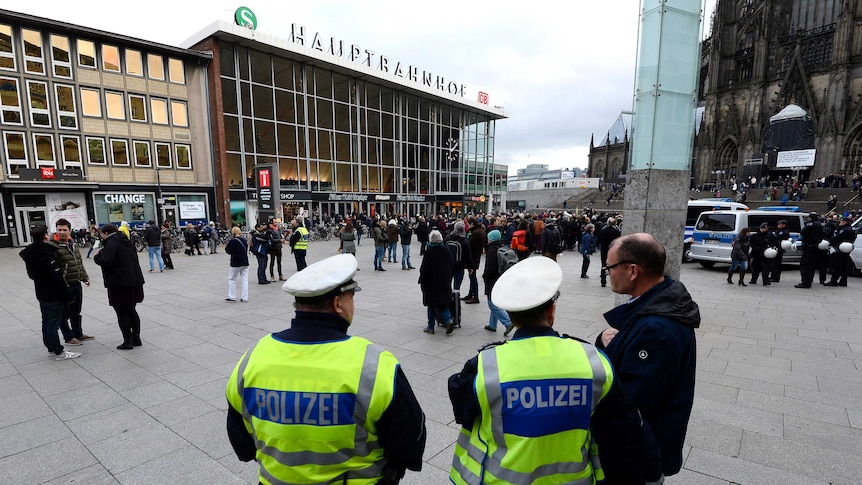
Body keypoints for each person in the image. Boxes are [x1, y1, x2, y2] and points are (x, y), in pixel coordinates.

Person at [450, 256, 664, 484]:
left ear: (511, 317)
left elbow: (462, 410)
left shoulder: (485, 364)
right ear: (552, 311)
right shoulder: (594, 361)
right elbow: (627, 426)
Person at [225, 254, 426, 484]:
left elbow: (241, 443)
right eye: (352, 296)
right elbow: (411, 444)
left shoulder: (253, 357)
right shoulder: (374, 364)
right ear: (338, 303)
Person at [597, 233, 700, 477]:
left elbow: (629, 401)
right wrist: (604, 341)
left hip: (636, 458)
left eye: (610, 266)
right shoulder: (657, 304)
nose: (607, 273)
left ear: (633, 271)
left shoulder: (657, 329)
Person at [20, 225, 81, 361]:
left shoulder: (31, 253)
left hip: (42, 292)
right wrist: (68, 294)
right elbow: (56, 277)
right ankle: (58, 351)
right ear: (46, 236)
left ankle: (52, 348)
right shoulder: (46, 254)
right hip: (53, 294)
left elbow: (32, 275)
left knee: (46, 322)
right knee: (53, 323)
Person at [94, 223, 146, 350]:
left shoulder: (111, 243)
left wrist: (97, 256)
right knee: (132, 309)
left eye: (101, 234)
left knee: (122, 311)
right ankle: (136, 338)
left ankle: (128, 341)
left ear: (105, 233)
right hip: (134, 280)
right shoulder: (126, 241)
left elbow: (107, 261)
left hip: (120, 283)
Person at [50, 218, 94, 346]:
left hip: (76, 282)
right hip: (64, 284)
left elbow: (78, 262)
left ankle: (78, 333)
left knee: (76, 311)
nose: (62, 232)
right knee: (65, 313)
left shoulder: (72, 244)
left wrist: (84, 277)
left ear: (69, 230)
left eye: (64, 230)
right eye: (59, 230)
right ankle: (68, 337)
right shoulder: (53, 245)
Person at [419, 230, 455, 335]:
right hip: (444, 281)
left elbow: (424, 269)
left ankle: (431, 327)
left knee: (431, 304)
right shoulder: (446, 250)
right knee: (442, 303)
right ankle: (448, 320)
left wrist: (422, 279)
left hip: (431, 283)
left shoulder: (429, 252)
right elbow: (451, 265)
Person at [481, 229, 513, 335]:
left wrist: (485, 276)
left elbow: (490, 267)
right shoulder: (502, 247)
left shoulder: (492, 250)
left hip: (493, 279)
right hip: (501, 277)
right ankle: (492, 325)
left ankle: (508, 322)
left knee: (492, 304)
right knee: (494, 301)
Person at [825, 216, 856, 287]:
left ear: (845, 222)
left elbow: (837, 238)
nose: (840, 222)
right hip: (847, 249)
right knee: (845, 266)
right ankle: (843, 281)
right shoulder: (852, 229)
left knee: (836, 265)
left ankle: (834, 281)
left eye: (841, 221)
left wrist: (831, 240)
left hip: (839, 249)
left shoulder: (844, 230)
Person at [796, 213, 824, 289]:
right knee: (811, 265)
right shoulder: (820, 224)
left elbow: (803, 231)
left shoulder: (811, 224)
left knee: (805, 265)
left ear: (810, 218)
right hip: (815, 246)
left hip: (809, 247)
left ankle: (805, 282)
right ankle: (809, 280)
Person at [446, 221, 473, 294]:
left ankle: (448, 300)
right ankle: (456, 300)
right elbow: (468, 255)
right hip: (459, 265)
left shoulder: (448, 238)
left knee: (447, 284)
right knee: (457, 286)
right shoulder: (464, 241)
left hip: (448, 265)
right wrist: (470, 267)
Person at [224, 226, 249, 302]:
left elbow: (227, 250)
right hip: (245, 262)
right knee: (244, 280)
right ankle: (245, 297)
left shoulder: (232, 241)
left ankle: (232, 297)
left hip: (235, 262)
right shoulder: (244, 240)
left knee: (232, 279)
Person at [597, 217, 621, 287]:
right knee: (613, 265)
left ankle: (603, 280)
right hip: (613, 250)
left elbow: (599, 239)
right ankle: (613, 280)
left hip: (604, 250)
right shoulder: (616, 231)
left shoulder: (603, 231)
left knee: (603, 265)